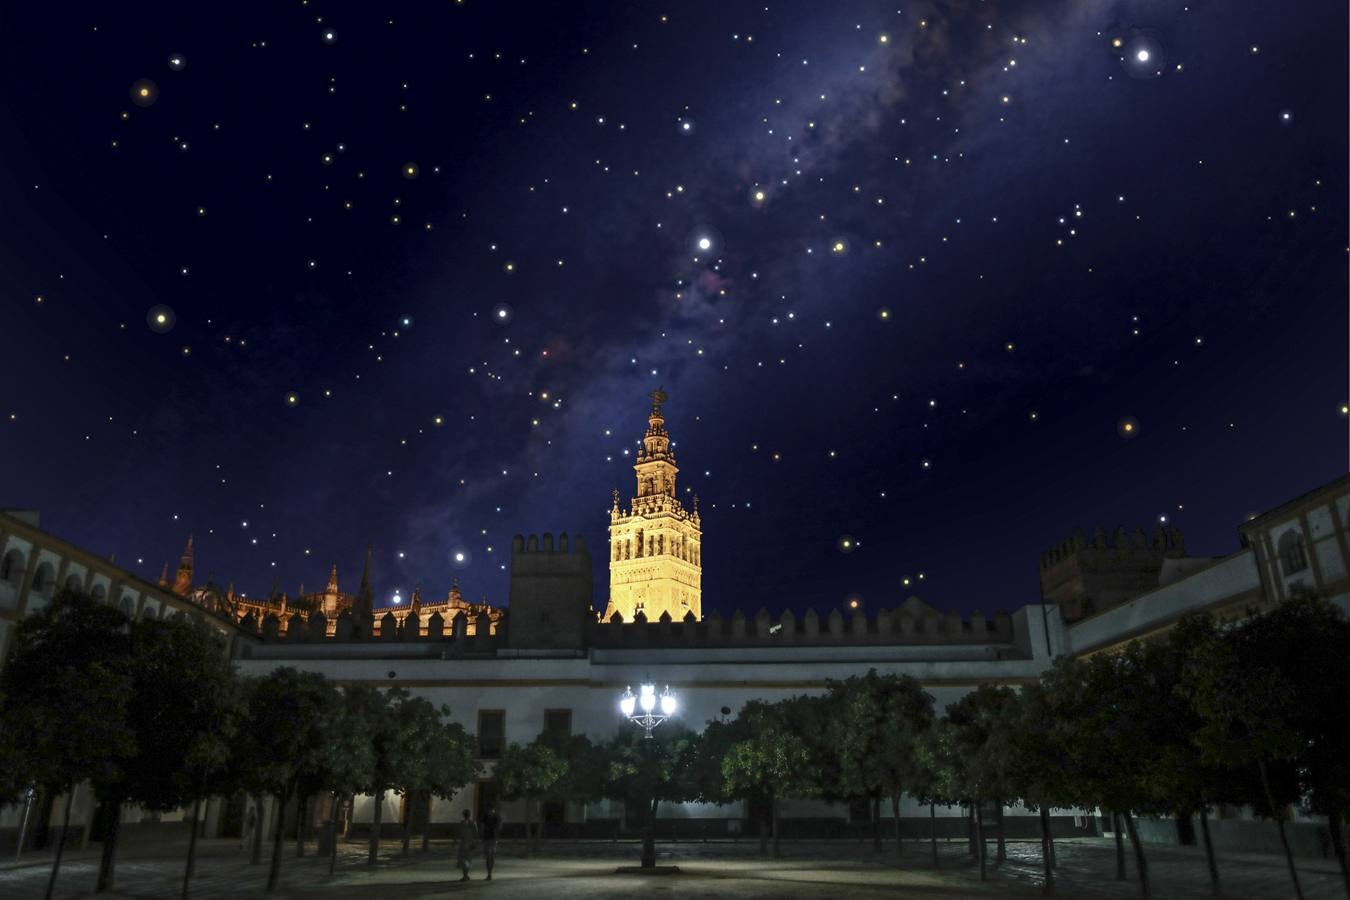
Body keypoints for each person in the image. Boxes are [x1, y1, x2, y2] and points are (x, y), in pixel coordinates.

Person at [455, 809, 478, 881]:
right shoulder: (473, 823)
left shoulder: (462, 823)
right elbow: (476, 833)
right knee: (468, 859)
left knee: (463, 859)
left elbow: (459, 833)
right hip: (470, 842)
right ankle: (466, 874)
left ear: (463, 815)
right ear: (470, 815)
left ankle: (465, 875)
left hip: (463, 842)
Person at [481, 805, 501, 880]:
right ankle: (489, 873)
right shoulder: (489, 817)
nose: (490, 812)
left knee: (490, 856)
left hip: (491, 838)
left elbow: (498, 827)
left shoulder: (493, 817)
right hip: (489, 838)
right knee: (489, 856)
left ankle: (489, 873)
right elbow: (499, 827)